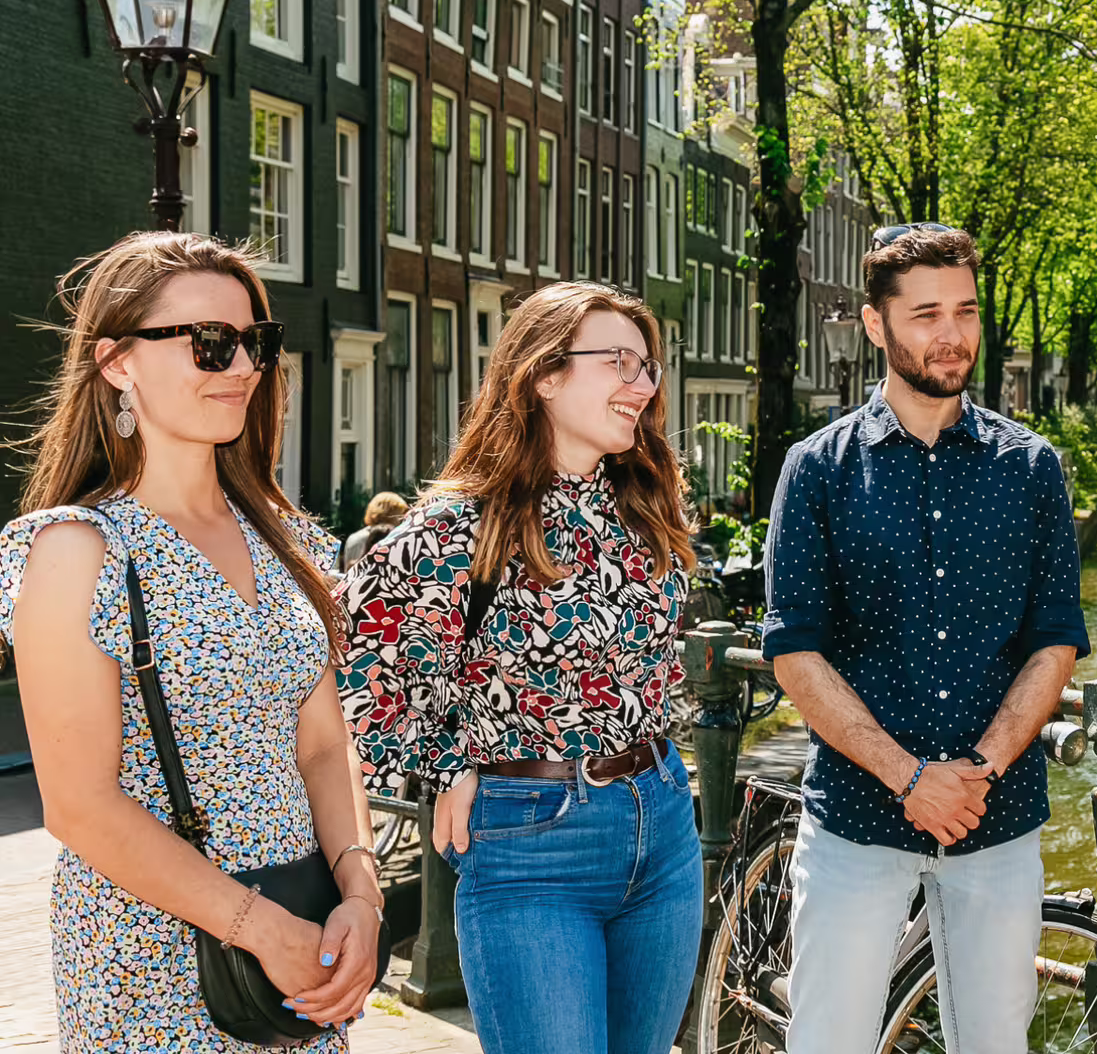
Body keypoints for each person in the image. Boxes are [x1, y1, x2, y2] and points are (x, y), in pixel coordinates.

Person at [0, 231, 381, 1048]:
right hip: (150, 956)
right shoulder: (76, 548)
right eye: (210, 344)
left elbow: (321, 744)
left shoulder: (290, 539)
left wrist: (360, 889)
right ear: (116, 364)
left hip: (305, 939)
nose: (243, 366)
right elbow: (78, 804)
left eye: (255, 342)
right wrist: (259, 929)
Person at [336, 282, 699, 1054]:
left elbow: (659, 667)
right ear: (543, 374)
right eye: (619, 363)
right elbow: (348, 659)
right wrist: (447, 758)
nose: (643, 385)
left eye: (649, 368)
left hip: (664, 825)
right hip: (534, 846)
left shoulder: (645, 501)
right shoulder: (462, 522)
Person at [763, 224, 1090, 1054]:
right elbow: (796, 651)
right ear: (877, 325)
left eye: (966, 311)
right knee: (828, 1041)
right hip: (856, 826)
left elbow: (1054, 641)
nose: (952, 334)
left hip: (998, 816)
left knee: (995, 1043)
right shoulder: (817, 469)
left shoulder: (1031, 466)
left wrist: (976, 772)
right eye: (926, 314)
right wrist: (909, 777)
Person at [338, 490, 407, 570]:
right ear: (390, 513)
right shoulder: (361, 539)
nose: (401, 519)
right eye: (399, 514)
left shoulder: (358, 536)